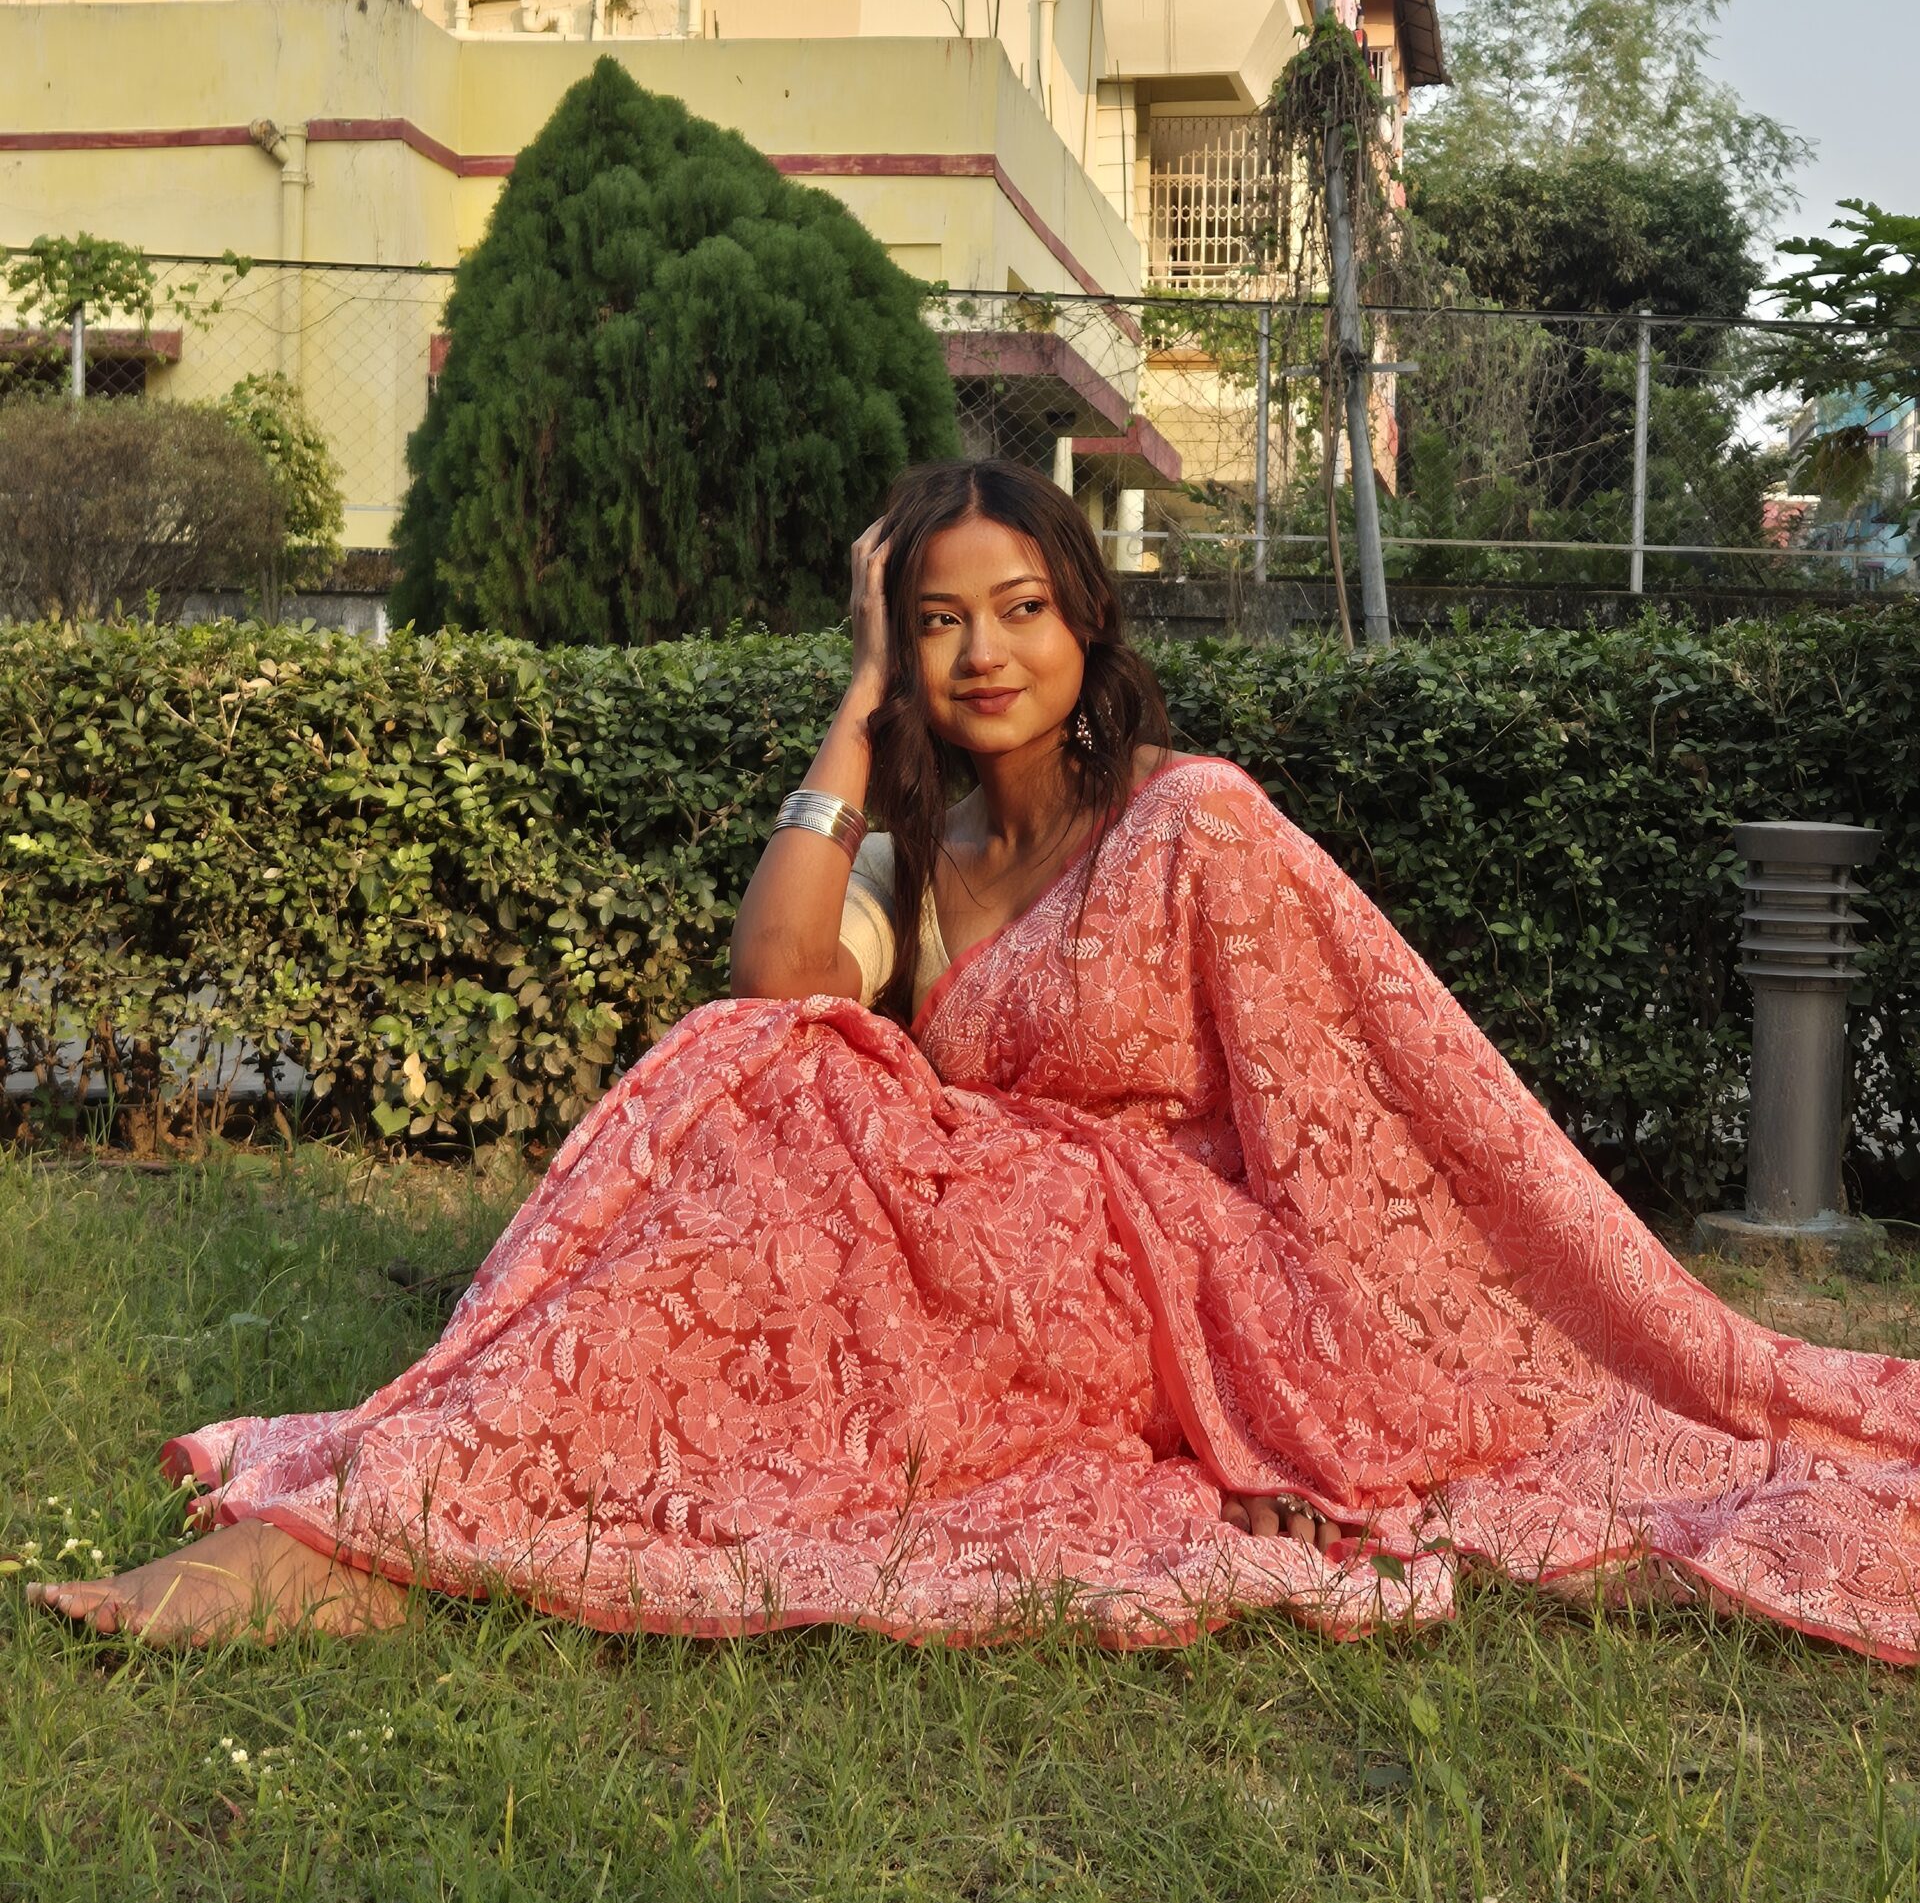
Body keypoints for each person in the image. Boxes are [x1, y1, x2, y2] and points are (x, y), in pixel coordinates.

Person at [33, 460, 1920, 1659]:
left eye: (1021, 609)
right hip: (968, 1262)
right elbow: (777, 989)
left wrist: (1306, 1379)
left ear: (1088, 623)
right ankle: (403, 1507)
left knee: (798, 1116)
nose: (983, 653)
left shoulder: (1196, 821)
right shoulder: (920, 861)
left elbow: (1367, 1100)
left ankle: (372, 1532)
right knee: (769, 1067)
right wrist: (855, 711)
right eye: (936, 623)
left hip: (1159, 1281)